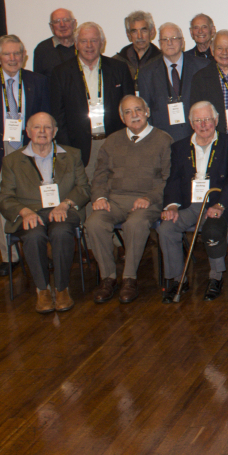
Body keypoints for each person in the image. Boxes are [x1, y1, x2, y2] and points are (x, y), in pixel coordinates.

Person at [0, 34, 51, 276]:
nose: (13, 58)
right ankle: (9, 257)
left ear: (24, 56)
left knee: (36, 202)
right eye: (7, 54)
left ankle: (40, 253)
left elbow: (47, 119)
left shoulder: (38, 81)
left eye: (17, 53)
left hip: (31, 150)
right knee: (2, 204)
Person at [0, 112, 89, 314]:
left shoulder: (72, 155)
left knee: (61, 231)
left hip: (63, 209)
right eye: (37, 127)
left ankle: (62, 288)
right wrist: (24, 211)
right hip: (31, 212)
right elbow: (4, 197)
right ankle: (42, 290)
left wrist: (65, 204)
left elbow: (83, 188)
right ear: (28, 132)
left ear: (55, 131)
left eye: (47, 127)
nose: (42, 131)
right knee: (34, 235)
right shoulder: (12, 161)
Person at [84, 95, 172, 305]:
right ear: (122, 118)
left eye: (138, 110)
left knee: (135, 223)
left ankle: (129, 279)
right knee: (94, 222)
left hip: (148, 201)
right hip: (115, 200)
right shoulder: (111, 141)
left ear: (147, 112)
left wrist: (150, 197)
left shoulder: (163, 140)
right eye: (128, 112)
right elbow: (100, 175)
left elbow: (169, 179)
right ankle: (108, 277)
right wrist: (100, 197)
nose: (134, 115)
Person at [157, 102, 228, 303]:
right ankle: (178, 279)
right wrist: (171, 206)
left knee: (213, 228)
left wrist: (220, 205)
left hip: (218, 203)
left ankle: (216, 278)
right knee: (166, 228)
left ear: (216, 120)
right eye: (198, 120)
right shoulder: (179, 147)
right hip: (188, 204)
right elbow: (173, 180)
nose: (203, 125)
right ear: (191, 123)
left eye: (207, 119)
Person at [49, 21, 134, 176]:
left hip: (114, 144)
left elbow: (129, 108)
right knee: (84, 189)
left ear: (102, 43)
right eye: (84, 41)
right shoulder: (60, 73)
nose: (89, 45)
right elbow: (58, 116)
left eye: (94, 40)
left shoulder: (119, 68)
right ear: (76, 44)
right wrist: (69, 150)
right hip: (79, 148)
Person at [137, 22, 207, 143]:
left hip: (198, 137)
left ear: (182, 42)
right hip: (162, 141)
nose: (169, 43)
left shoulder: (202, 67)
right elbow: (146, 113)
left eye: (174, 38)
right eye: (165, 39)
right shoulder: (146, 73)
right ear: (159, 44)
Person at [189, 31, 228, 138]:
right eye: (219, 48)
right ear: (212, 50)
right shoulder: (200, 78)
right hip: (216, 138)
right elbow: (196, 114)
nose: (224, 52)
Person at [116, 10, 161, 82]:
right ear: (128, 35)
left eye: (144, 31)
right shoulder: (117, 62)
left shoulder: (162, 61)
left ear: (152, 32)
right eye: (134, 31)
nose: (140, 36)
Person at [33, 7, 77, 74]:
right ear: (51, 27)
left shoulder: (84, 46)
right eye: (57, 21)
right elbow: (38, 78)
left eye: (66, 20)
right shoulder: (42, 49)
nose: (62, 25)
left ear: (74, 24)